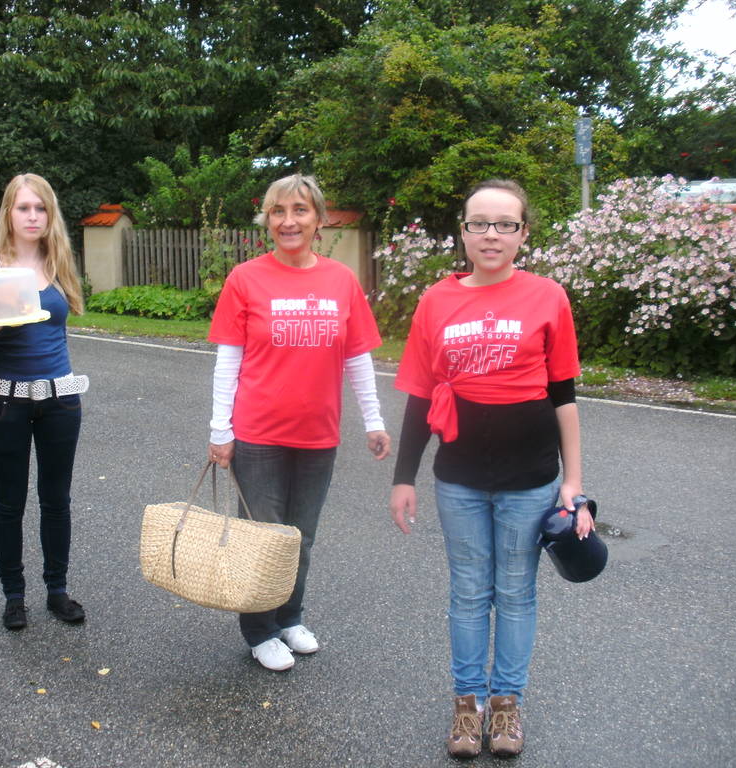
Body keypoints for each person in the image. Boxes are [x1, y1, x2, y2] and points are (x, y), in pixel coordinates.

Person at [388, 179, 594, 758]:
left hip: (532, 479)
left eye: (505, 224)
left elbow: (565, 396)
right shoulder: (436, 301)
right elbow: (420, 396)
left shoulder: (548, 296)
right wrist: (404, 477)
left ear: (524, 233)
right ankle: (467, 704)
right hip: (459, 479)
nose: (491, 234)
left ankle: (505, 707)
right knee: (470, 593)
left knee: (517, 593)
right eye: (480, 222)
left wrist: (572, 483)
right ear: (463, 231)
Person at [207, 173, 391, 672]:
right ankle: (259, 630)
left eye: (300, 211)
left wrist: (373, 420)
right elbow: (229, 360)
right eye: (278, 212)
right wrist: (219, 430)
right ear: (267, 219)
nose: (289, 221)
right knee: (262, 536)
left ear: (319, 219)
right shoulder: (246, 279)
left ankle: (289, 617)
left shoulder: (341, 280)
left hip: (318, 434)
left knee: (300, 537)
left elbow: (357, 359)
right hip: (258, 434)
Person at [0, 173, 87, 631]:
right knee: (9, 504)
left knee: (57, 501)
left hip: (60, 400)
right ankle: (13, 597)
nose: (32, 216)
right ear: (9, 214)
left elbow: (57, 333)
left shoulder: (58, 264)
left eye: (40, 208)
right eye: (23, 208)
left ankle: (57, 591)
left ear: (49, 213)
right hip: (6, 404)